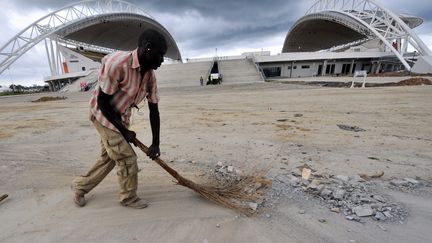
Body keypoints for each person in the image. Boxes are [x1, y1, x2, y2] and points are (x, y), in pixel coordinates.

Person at [71, 29, 167, 209]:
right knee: (126, 157)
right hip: (102, 115)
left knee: (109, 158)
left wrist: (156, 143)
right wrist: (124, 132)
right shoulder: (118, 64)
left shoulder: (149, 76)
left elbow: (154, 109)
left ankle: (79, 187)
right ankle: (128, 197)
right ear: (148, 49)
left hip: (120, 118)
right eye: (160, 55)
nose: (162, 60)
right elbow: (102, 101)